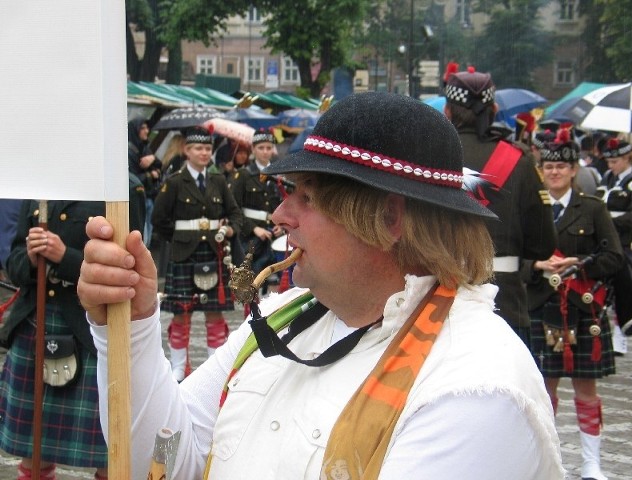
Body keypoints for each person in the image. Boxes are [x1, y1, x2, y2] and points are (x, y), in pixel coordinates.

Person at [78, 92, 564, 479]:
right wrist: (133, 326)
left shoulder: (472, 385)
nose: (278, 215)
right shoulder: (284, 316)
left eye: (306, 198)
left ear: (388, 218)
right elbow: (163, 456)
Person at [0, 196, 144, 480]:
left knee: (108, 451)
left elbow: (129, 269)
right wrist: (30, 257)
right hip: (35, 322)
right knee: (32, 450)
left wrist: (64, 256)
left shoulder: (118, 189)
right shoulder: (39, 191)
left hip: (92, 328)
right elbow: (14, 266)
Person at [521, 129, 623, 480]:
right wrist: (537, 266)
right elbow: (514, 258)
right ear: (541, 169)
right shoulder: (531, 207)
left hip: (581, 308)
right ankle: (550, 461)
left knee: (586, 388)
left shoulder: (592, 208)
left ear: (574, 170)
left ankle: (592, 462)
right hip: (540, 305)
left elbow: (614, 257)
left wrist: (578, 262)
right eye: (548, 166)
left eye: (561, 167)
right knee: (543, 390)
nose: (554, 172)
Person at [443, 66, 557, 348]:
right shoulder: (519, 159)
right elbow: (543, 244)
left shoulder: (427, 156)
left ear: (447, 111)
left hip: (434, 301)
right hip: (503, 301)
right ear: (494, 108)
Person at [151, 125, 243, 382]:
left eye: (207, 149)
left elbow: (236, 214)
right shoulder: (175, 182)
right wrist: (180, 240)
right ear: (186, 150)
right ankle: (178, 367)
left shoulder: (218, 181)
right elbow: (158, 219)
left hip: (212, 254)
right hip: (184, 256)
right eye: (198, 148)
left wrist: (231, 230)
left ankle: (213, 368)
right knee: (181, 313)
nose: (204, 153)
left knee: (214, 313)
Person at [595, 137, 632, 351]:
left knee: (626, 290)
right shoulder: (607, 178)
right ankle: (612, 333)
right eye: (609, 162)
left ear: (626, 158)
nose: (611, 166)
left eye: (615, 162)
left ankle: (622, 332)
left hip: (624, 243)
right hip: (603, 242)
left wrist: (607, 221)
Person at [230, 128, 287, 281]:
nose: (265, 152)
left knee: (276, 281)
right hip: (250, 237)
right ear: (253, 149)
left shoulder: (279, 174)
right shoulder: (244, 175)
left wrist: (281, 225)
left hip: (275, 235)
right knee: (252, 282)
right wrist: (254, 228)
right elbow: (233, 208)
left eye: (269, 147)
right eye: (261, 148)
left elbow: (286, 204)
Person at [128, 118, 162, 246]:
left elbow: (159, 166)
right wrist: (150, 174)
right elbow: (131, 178)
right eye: (142, 128)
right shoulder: (128, 151)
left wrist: (153, 158)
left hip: (149, 198)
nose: (146, 131)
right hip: (137, 199)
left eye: (147, 127)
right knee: (140, 240)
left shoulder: (144, 148)